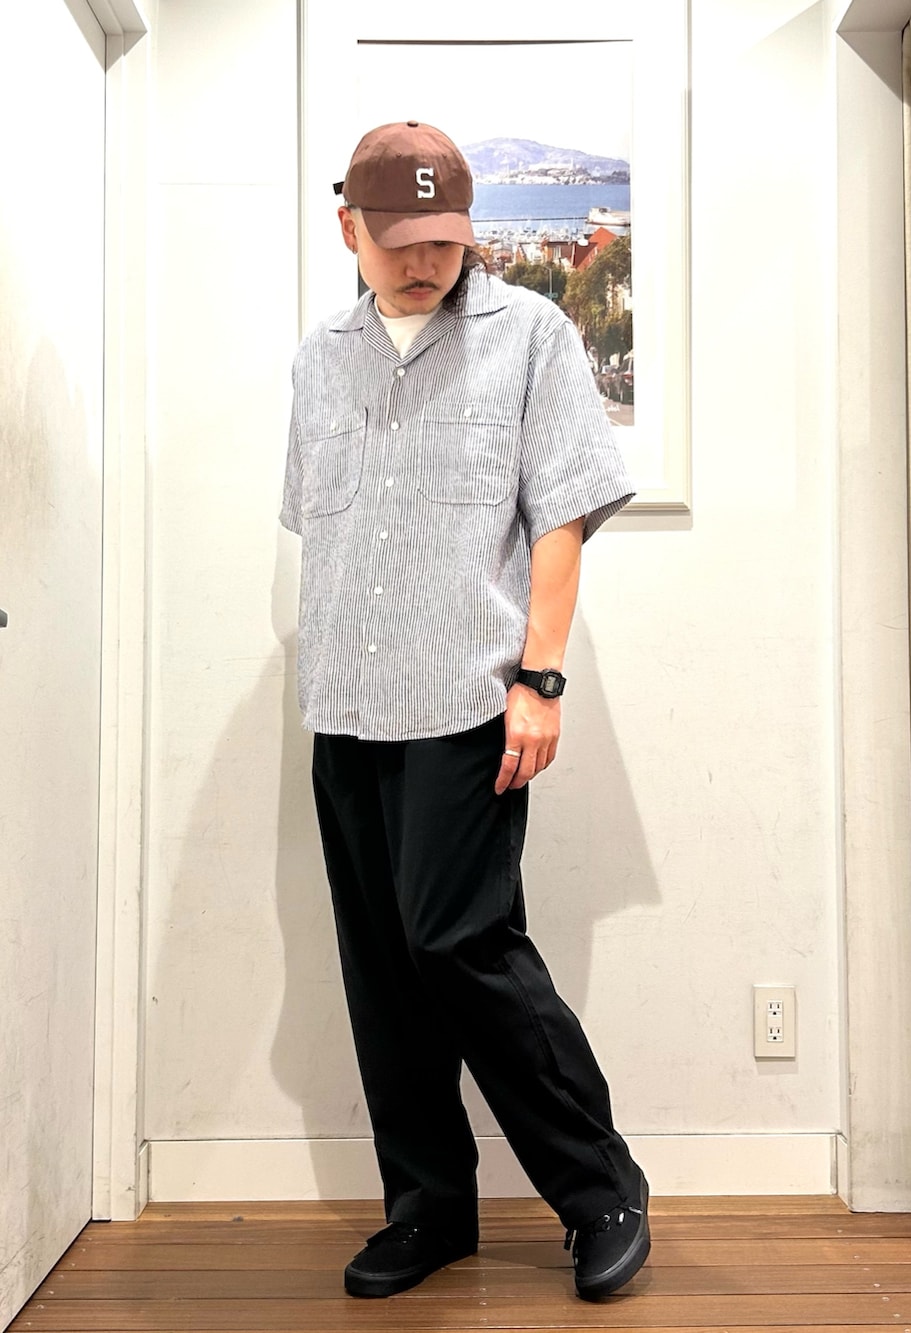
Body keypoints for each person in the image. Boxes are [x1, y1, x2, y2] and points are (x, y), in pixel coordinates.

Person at [280, 120, 649, 1302]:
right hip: (346, 704)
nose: (421, 261)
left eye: (441, 239)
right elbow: (317, 525)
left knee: (461, 945)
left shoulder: (529, 337)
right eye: (397, 240)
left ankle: (600, 1191)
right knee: (383, 968)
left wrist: (540, 678)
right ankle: (428, 1208)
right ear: (349, 228)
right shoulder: (319, 359)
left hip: (463, 700)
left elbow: (560, 518)